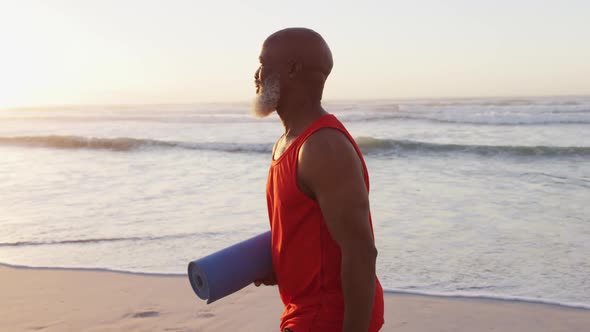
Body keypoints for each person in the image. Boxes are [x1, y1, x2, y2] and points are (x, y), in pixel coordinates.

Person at [252, 28, 384, 332]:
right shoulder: (288, 142)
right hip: (304, 312)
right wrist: (283, 262)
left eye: (263, 64)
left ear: (293, 69)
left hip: (328, 319)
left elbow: (360, 251)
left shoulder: (323, 146)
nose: (256, 75)